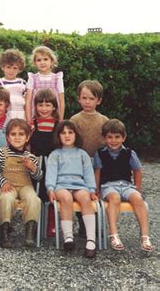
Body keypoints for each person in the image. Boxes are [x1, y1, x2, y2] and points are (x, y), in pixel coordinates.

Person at [94, 119, 154, 252]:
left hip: (126, 185)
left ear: (123, 137)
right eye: (109, 137)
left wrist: (137, 188)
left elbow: (137, 171)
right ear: (104, 138)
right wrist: (96, 190)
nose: (113, 140)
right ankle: (114, 235)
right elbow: (97, 172)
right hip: (108, 186)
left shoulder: (129, 153)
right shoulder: (100, 154)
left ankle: (145, 237)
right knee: (114, 198)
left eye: (117, 137)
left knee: (138, 199)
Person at [45, 120, 98, 258]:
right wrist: (50, 189)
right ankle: (68, 238)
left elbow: (88, 173)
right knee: (66, 198)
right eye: (63, 133)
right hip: (61, 185)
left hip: (79, 185)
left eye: (70, 132)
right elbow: (51, 173)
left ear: (76, 135)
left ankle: (91, 240)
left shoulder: (82, 154)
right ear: (58, 136)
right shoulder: (55, 154)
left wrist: (92, 189)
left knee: (85, 199)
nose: (67, 135)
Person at [0, 119, 41, 248]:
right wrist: (3, 182)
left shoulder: (30, 156)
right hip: (8, 185)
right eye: (13, 134)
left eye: (21, 134)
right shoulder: (2, 153)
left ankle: (29, 231)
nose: (17, 137)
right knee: (5, 199)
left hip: (25, 185)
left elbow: (39, 177)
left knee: (33, 199)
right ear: (7, 137)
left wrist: (33, 168)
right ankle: (4, 231)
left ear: (27, 137)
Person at [70, 80, 109, 237]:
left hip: (99, 164)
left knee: (96, 193)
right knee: (81, 193)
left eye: (91, 98)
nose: (87, 101)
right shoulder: (75, 120)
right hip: (79, 164)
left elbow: (109, 143)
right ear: (79, 98)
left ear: (98, 100)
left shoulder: (104, 120)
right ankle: (83, 224)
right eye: (84, 98)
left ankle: (96, 223)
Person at [29, 88, 59, 236]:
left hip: (52, 163)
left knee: (51, 192)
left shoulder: (58, 124)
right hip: (36, 162)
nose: (44, 109)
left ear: (54, 106)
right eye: (40, 105)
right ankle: (34, 222)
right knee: (36, 192)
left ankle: (51, 223)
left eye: (48, 105)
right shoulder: (32, 124)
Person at [25, 46, 65, 122]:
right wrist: (29, 119)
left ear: (52, 61)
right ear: (35, 63)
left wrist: (60, 120)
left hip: (53, 117)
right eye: (39, 60)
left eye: (45, 59)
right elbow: (28, 101)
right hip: (36, 117)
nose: (42, 62)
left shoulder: (57, 78)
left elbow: (61, 101)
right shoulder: (32, 78)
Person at [0, 49, 27, 120]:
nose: (11, 71)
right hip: (5, 115)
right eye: (8, 67)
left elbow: (26, 101)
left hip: (20, 114)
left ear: (19, 69)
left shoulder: (22, 83)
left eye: (15, 68)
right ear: (3, 67)